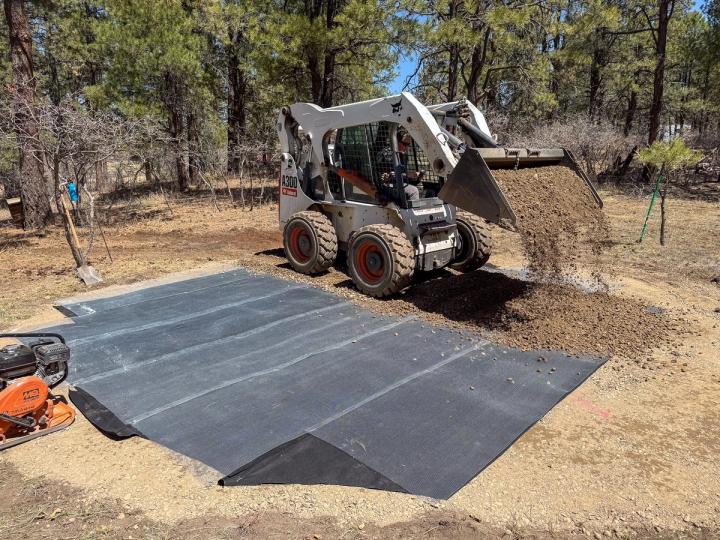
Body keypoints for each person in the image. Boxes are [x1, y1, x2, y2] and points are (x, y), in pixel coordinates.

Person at [376, 129, 422, 202]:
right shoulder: (386, 153)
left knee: (425, 189)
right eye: (404, 144)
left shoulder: (402, 155)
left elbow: (402, 173)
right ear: (396, 142)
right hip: (385, 185)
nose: (406, 148)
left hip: (398, 182)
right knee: (413, 191)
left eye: (408, 145)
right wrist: (407, 175)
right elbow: (386, 175)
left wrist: (414, 177)